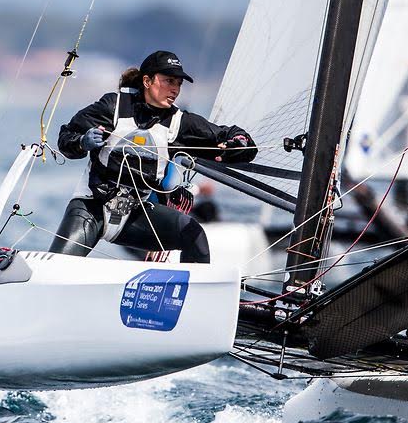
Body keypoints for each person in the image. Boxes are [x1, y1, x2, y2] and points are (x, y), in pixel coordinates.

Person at [50, 50, 256, 263]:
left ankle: (192, 292)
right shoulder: (112, 106)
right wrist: (82, 142)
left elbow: (232, 138)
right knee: (57, 266)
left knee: (193, 234)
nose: (175, 89)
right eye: (168, 81)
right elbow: (66, 137)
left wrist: (239, 142)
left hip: (137, 215)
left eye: (178, 83)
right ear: (147, 81)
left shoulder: (180, 123)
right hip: (91, 208)